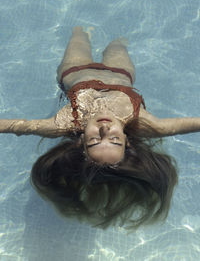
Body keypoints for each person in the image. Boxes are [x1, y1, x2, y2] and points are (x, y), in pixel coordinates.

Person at [1, 26, 200, 231]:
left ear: (80, 143)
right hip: (121, 73)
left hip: (75, 70)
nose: (104, 130)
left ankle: (83, 29)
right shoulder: (142, 122)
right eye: (115, 140)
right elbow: (187, 125)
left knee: (79, 36)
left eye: (94, 140)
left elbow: (17, 126)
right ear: (127, 141)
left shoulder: (66, 122)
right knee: (118, 44)